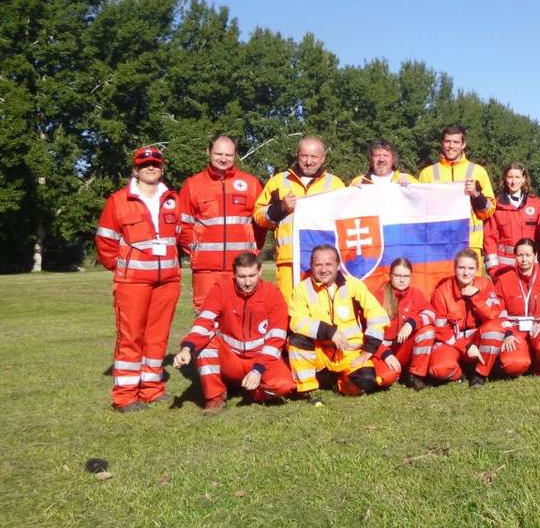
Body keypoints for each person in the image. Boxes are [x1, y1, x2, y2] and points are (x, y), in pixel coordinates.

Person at [94, 146, 182, 412]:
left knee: (157, 336)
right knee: (130, 337)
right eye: (145, 165)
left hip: (167, 280)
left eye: (155, 163)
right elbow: (105, 241)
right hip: (132, 282)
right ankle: (125, 395)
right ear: (135, 169)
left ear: (162, 168)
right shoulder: (119, 200)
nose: (151, 168)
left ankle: (152, 388)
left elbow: (181, 233)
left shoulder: (172, 199)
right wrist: (124, 268)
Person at [173, 252, 294, 413]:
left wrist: (258, 370)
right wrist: (187, 348)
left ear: (260, 272)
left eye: (252, 276)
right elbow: (204, 322)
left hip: (261, 358)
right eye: (242, 276)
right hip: (231, 358)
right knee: (205, 344)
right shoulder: (221, 289)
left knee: (284, 386)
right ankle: (215, 397)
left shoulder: (273, 294)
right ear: (234, 273)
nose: (247, 282)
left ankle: (253, 391)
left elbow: (276, 340)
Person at [287, 244, 391, 397]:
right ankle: (307, 390)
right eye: (318, 265)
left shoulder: (354, 285)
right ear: (311, 266)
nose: (323, 270)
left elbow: (378, 315)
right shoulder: (301, 289)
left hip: (349, 353)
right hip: (320, 352)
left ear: (338, 265)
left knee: (367, 381)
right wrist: (329, 331)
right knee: (297, 339)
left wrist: (368, 350)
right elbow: (297, 322)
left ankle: (338, 382)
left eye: (328, 264)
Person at [176, 134, 264, 311]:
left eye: (228, 155)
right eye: (218, 154)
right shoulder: (193, 184)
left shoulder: (251, 183)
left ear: (235, 155)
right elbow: (182, 225)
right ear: (208, 151)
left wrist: (253, 250)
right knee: (207, 320)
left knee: (242, 319)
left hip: (242, 269)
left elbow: (260, 223)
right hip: (206, 270)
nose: (223, 159)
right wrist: (195, 251)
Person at [254, 136, 344, 304]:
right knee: (289, 310)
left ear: (323, 158)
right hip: (290, 261)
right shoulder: (278, 181)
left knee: (324, 308)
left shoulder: (335, 184)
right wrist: (280, 207)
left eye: (314, 157)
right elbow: (258, 216)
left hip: (324, 262)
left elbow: (347, 219)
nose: (309, 161)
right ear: (297, 155)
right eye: (304, 156)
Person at [412, 249, 507, 388]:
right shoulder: (442, 292)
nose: (466, 273)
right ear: (454, 268)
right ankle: (459, 373)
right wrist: (465, 346)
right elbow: (440, 329)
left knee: (494, 329)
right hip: (453, 342)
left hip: (478, 338)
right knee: (439, 370)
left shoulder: (485, 284)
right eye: (461, 268)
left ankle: (480, 374)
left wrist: (475, 298)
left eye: (471, 268)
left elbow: (493, 315)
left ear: (477, 270)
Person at [417, 124, 496, 257]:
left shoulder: (478, 171)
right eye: (448, 141)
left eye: (456, 142)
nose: (451, 146)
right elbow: (418, 210)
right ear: (442, 143)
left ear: (463, 144)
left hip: (469, 244)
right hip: (436, 244)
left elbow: (489, 211)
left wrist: (476, 195)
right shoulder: (427, 173)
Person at [494, 238, 540, 376]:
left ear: (535, 256)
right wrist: (507, 333)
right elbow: (498, 311)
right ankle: (524, 358)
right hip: (514, 330)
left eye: (528, 255)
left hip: (538, 328)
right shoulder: (503, 280)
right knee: (514, 365)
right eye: (520, 255)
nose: (524, 259)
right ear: (515, 256)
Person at [373, 257, 436, 387]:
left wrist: (411, 323)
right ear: (390, 275)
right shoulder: (379, 296)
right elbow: (368, 334)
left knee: (427, 331)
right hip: (383, 350)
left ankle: (415, 375)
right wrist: (385, 354)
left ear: (411, 277)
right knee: (386, 378)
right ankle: (397, 373)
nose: (402, 280)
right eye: (397, 275)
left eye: (406, 276)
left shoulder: (416, 293)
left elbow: (431, 314)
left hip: (403, 348)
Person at [483, 162, 540, 278]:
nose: (513, 181)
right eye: (510, 177)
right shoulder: (496, 206)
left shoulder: (536, 204)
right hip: (504, 269)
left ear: (524, 179)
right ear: (505, 179)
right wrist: (493, 269)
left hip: (532, 268)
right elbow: (489, 238)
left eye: (517, 177)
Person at [348, 138, 416, 186]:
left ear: (393, 159)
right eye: (377, 155)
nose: (381, 160)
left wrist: (410, 189)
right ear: (370, 159)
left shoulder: (408, 180)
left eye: (385, 155)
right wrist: (353, 192)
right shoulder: (358, 182)